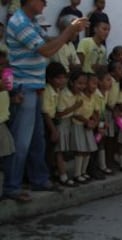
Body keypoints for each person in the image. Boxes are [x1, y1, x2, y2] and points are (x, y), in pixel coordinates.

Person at [2, 0, 88, 202]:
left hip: (35, 87)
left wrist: (70, 31)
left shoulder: (31, 22)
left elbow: (47, 42)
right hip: (24, 87)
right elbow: (46, 51)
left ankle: (38, 179)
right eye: (42, 0)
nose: (46, 4)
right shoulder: (20, 22)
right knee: (22, 142)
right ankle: (11, 186)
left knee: (37, 140)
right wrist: (68, 32)